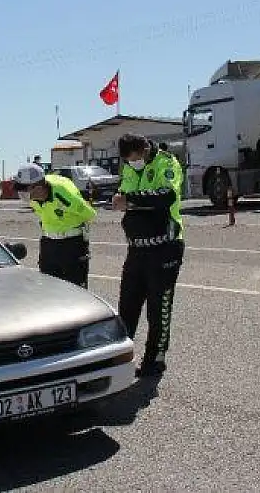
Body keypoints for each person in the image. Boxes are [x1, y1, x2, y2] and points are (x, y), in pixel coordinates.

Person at [111, 134, 185, 377]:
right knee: (127, 306)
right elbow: (123, 196)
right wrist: (123, 200)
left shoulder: (166, 162)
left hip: (164, 247)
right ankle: (120, 356)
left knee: (158, 307)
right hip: (136, 248)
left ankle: (155, 358)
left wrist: (131, 200)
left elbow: (167, 196)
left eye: (134, 159)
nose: (132, 164)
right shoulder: (130, 169)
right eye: (127, 161)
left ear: (144, 149)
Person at [13, 163, 96, 288]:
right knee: (48, 289)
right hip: (48, 245)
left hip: (72, 245)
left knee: (75, 290)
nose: (21, 193)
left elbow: (89, 214)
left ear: (38, 187)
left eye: (24, 189)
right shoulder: (33, 199)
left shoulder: (63, 194)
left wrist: (66, 221)